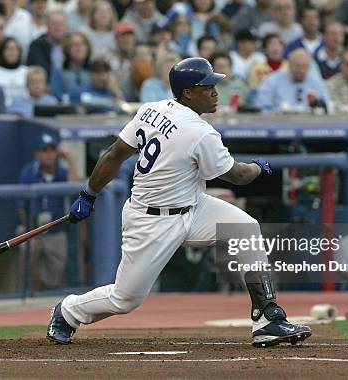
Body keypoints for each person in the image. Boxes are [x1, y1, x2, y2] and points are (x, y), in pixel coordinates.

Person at [46, 56, 312, 348]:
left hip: (193, 207)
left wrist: (88, 194)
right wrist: (259, 168)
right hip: (151, 219)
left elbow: (113, 154)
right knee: (125, 299)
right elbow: (236, 175)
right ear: (188, 92)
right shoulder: (200, 132)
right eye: (207, 86)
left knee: (245, 228)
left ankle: (267, 318)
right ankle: (68, 311)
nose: (215, 92)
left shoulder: (151, 109)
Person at [17, 133, 78, 290]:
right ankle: (30, 295)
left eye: (52, 150)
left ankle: (47, 299)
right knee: (27, 254)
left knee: (55, 274)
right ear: (37, 154)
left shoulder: (63, 171)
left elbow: (74, 189)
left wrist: (70, 159)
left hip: (56, 229)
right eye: (44, 151)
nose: (49, 154)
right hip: (32, 229)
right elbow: (21, 207)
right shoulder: (29, 172)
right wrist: (30, 231)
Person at [253, 48, 330, 113]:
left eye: (304, 66)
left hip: (310, 125)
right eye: (297, 65)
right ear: (289, 65)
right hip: (279, 124)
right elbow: (261, 107)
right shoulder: (272, 80)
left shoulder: (316, 83)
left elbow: (327, 106)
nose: (300, 70)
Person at [27, 10, 69, 79]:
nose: (58, 28)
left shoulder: (72, 44)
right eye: (54, 24)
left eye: (61, 24)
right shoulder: (37, 45)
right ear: (46, 25)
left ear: (67, 27)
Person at [0, 37, 28, 107]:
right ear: (2, 51)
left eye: (15, 49)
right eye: (8, 49)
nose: (12, 53)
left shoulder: (27, 72)